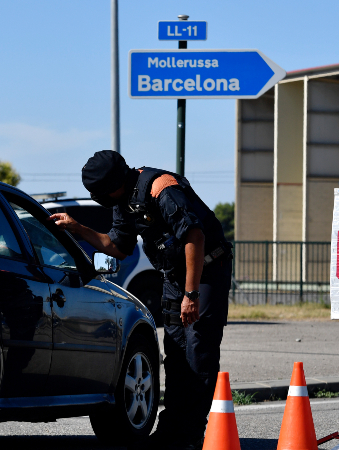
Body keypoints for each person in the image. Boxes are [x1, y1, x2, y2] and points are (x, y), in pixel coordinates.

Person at [48, 150, 232, 450]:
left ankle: (192, 433)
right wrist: (77, 227)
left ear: (116, 182)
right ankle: (172, 428)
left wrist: (191, 293)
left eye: (100, 192)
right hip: (174, 276)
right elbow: (117, 247)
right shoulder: (123, 201)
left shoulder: (161, 188)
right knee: (176, 353)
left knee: (199, 349)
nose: (99, 198)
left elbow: (194, 236)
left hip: (206, 271)